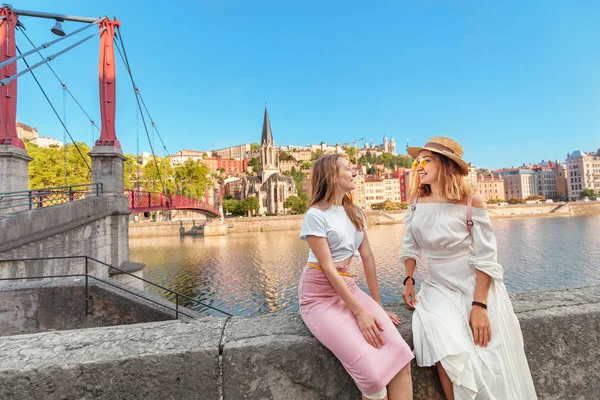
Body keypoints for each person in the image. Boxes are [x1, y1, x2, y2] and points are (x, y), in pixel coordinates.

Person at [399, 136, 537, 400]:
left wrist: (480, 307)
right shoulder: (416, 200)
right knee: (446, 347)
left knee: (488, 360)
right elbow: (410, 247)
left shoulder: (471, 202)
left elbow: (486, 259)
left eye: (427, 161)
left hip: (475, 287)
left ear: (447, 164)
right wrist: (408, 280)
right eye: (418, 162)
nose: (419, 167)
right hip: (437, 287)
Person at [299, 154, 414, 400]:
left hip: (347, 287)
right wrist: (360, 313)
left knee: (401, 357)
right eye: (347, 168)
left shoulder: (356, 212)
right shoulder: (316, 215)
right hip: (319, 296)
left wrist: (376, 305)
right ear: (332, 176)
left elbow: (368, 256)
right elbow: (329, 268)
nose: (353, 172)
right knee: (373, 380)